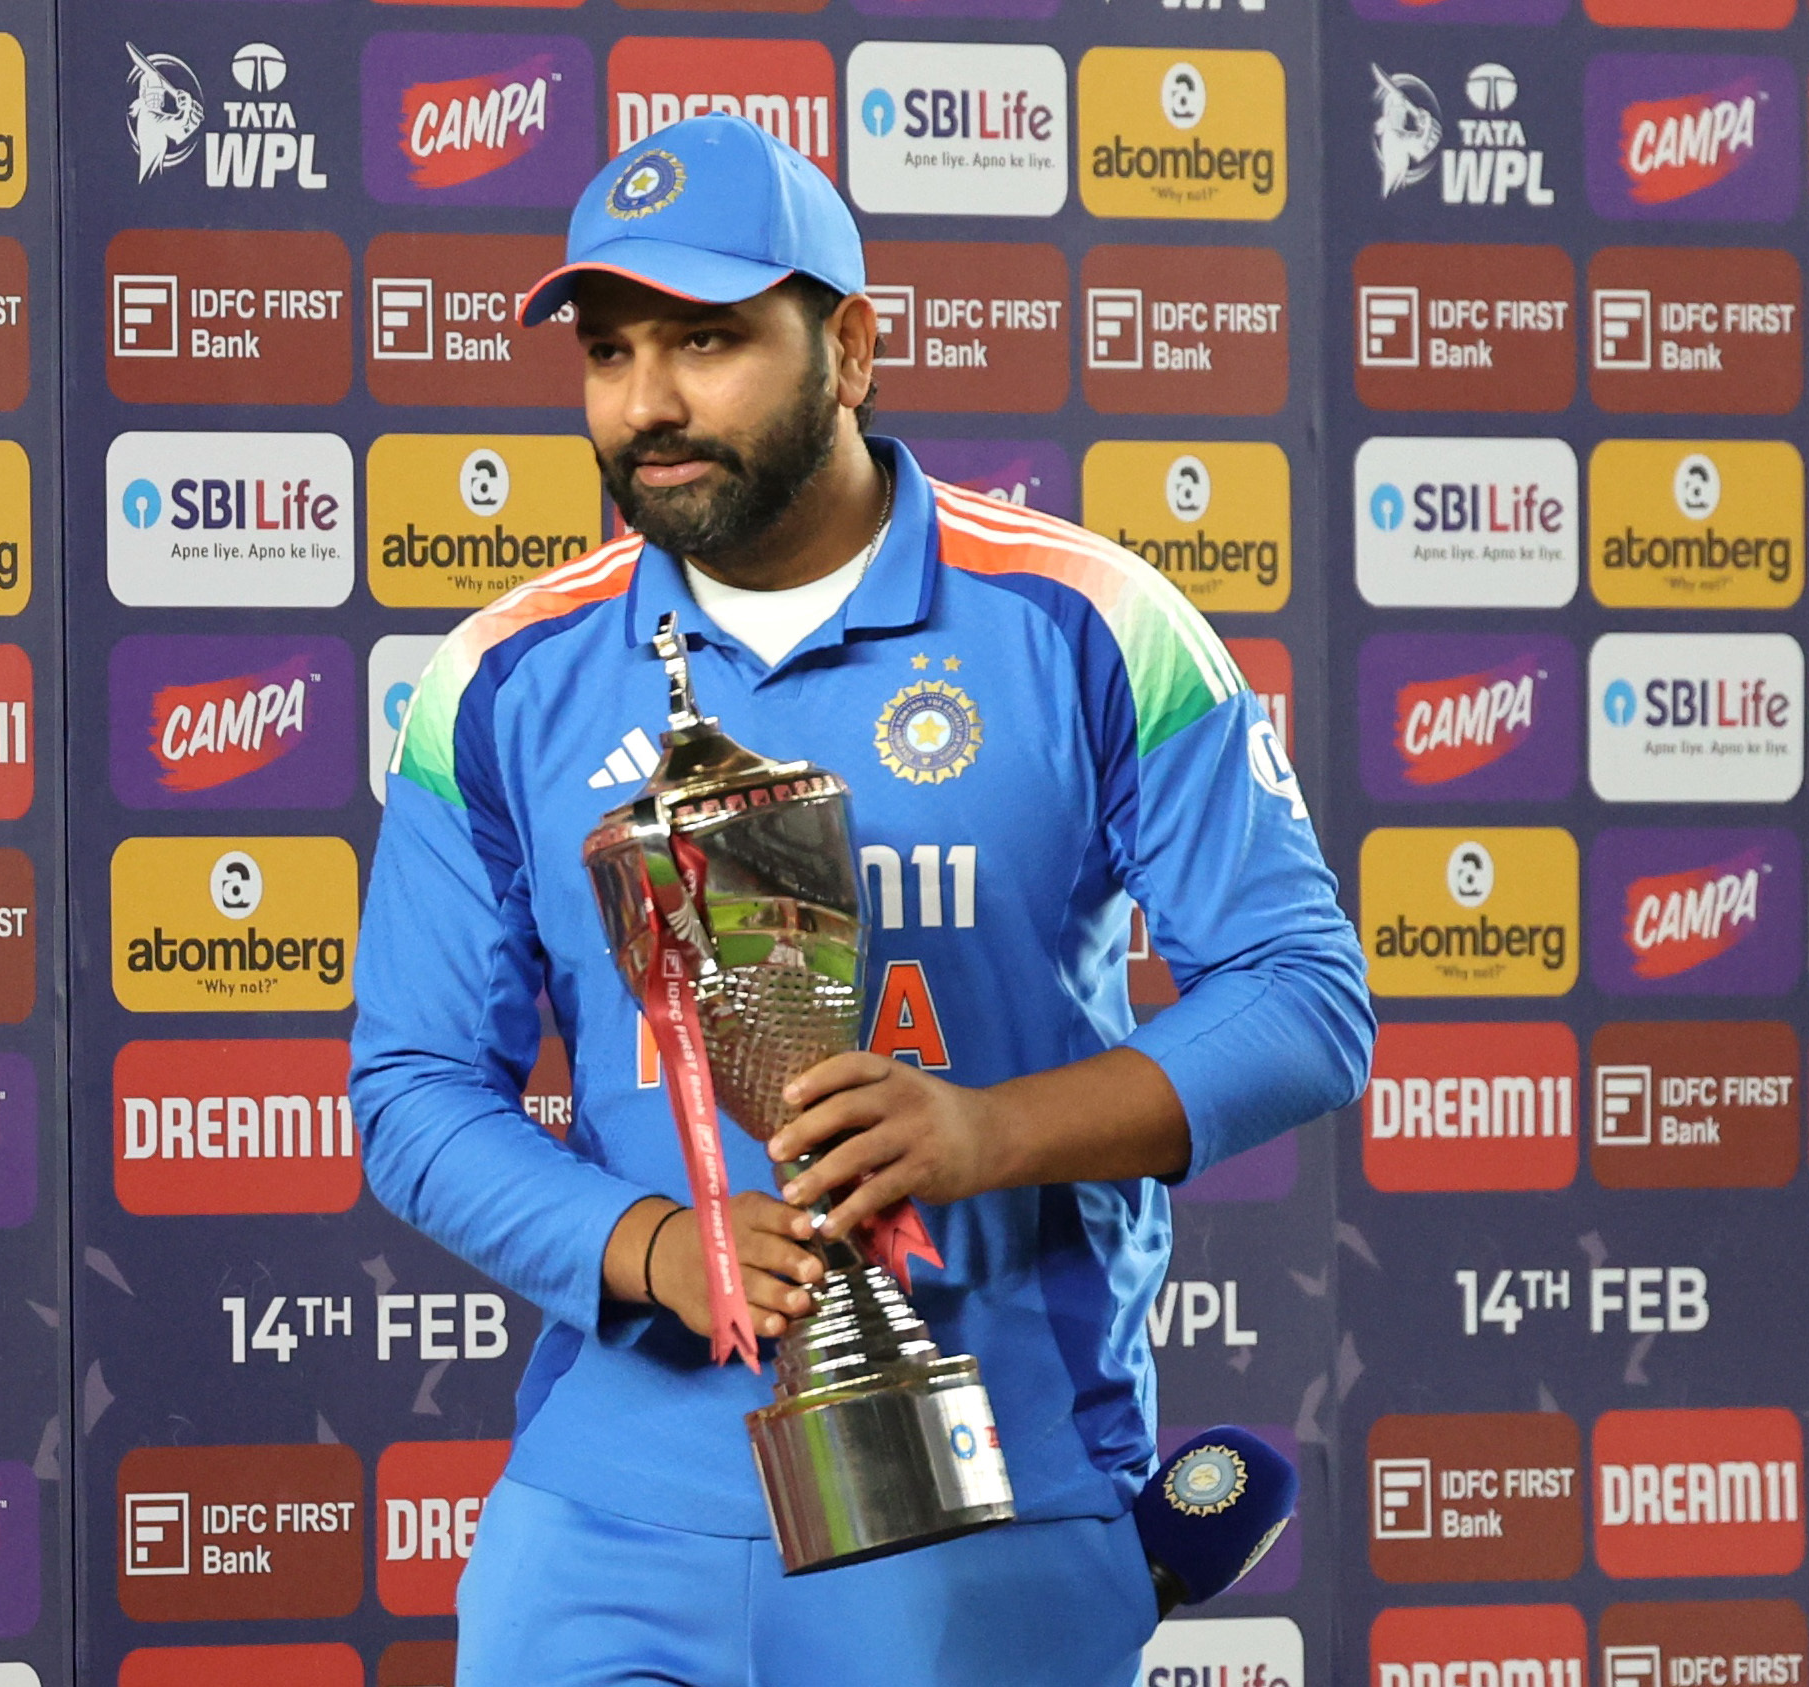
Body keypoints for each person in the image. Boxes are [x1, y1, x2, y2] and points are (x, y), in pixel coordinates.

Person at [351, 114, 1373, 1687]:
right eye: (610, 352)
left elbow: (1304, 997)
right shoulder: (497, 678)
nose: (650, 403)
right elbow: (415, 1088)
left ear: (853, 346)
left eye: (708, 341)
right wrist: (645, 1244)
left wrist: (986, 1135)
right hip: (611, 1508)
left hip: (986, 1489)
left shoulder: (1090, 622)